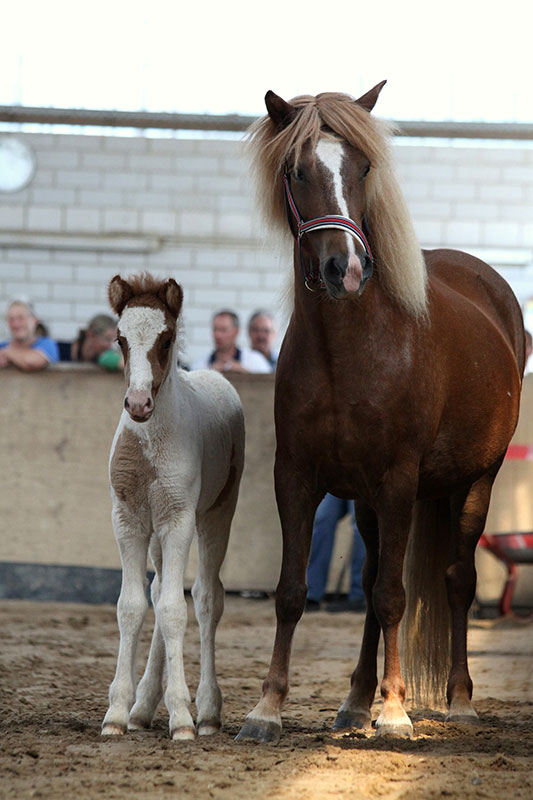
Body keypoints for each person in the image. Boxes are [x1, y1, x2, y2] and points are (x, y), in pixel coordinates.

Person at [306, 494, 366, 613]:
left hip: (363, 479)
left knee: (359, 524)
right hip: (338, 477)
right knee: (322, 518)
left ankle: (358, 595)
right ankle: (313, 594)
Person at [192, 310, 271, 373]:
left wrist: (244, 372)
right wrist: (209, 374)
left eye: (223, 330)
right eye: (215, 329)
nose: (218, 335)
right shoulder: (200, 364)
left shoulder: (255, 361)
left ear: (236, 332)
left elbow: (268, 385)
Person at [0, 299, 59, 371]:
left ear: (34, 320)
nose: (16, 324)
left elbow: (31, 363)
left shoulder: (47, 344)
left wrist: (8, 353)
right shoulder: (2, 346)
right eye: (11, 319)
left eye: (21, 318)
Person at [57, 314, 123, 371]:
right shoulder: (59, 350)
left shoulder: (103, 357)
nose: (110, 345)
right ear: (90, 335)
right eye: (106, 339)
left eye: (113, 340)